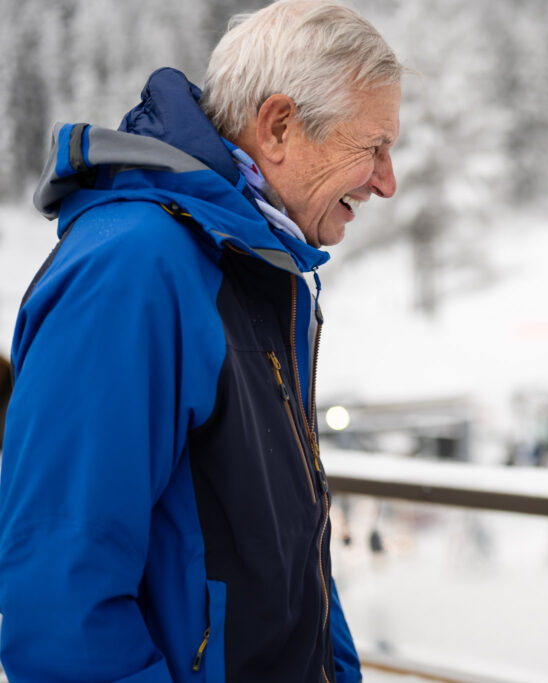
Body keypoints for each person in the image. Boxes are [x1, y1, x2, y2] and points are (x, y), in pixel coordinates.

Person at [0, 1, 402, 681]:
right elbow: (61, 602)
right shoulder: (133, 270)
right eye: (374, 147)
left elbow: (290, 545)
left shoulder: (260, 267)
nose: (387, 182)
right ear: (279, 127)